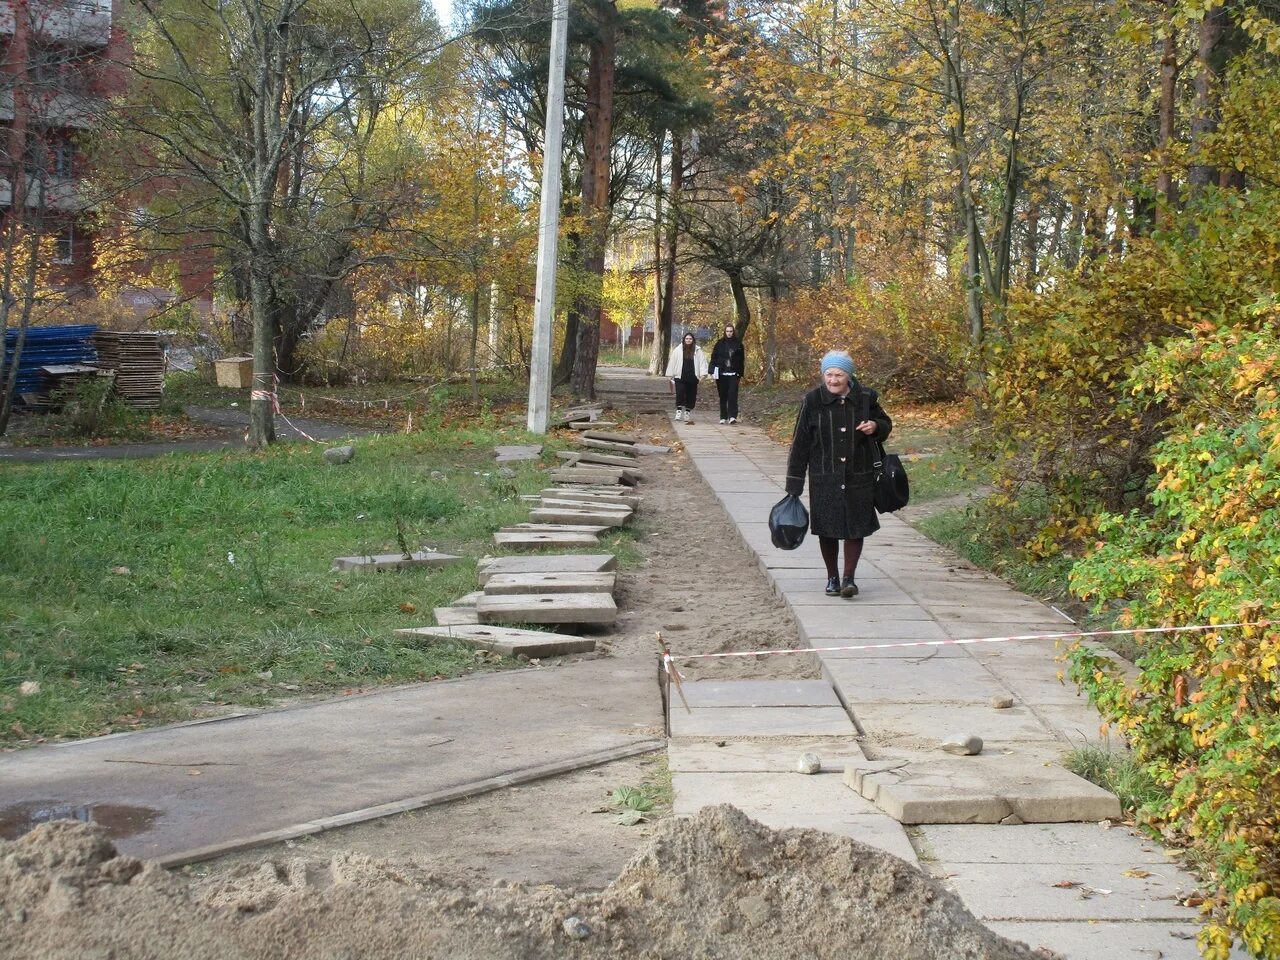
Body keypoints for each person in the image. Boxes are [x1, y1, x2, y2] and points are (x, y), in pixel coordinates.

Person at [784, 350, 892, 598]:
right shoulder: (812, 401)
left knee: (856, 527)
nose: (833, 380)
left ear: (848, 376)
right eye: (829, 374)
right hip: (825, 476)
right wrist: (794, 484)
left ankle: (849, 579)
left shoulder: (866, 398)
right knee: (828, 528)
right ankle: (832, 577)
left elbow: (886, 424)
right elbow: (800, 443)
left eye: (839, 375)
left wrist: (875, 426)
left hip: (859, 474)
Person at [664, 332, 709, 424]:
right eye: (687, 339)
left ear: (693, 340)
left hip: (693, 377)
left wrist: (703, 375)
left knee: (691, 395)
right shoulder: (678, 350)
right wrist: (670, 374)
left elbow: (702, 363)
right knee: (680, 393)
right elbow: (673, 361)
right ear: (684, 340)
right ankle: (679, 410)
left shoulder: (698, 350)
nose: (688, 340)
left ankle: (687, 412)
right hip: (680, 376)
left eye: (690, 339)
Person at [709, 323, 745, 424]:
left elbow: (741, 360)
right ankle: (723, 416)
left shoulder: (738, 344)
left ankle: (732, 416)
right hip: (721, 373)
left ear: (733, 332)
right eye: (727, 331)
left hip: (733, 373)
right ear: (725, 332)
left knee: (732, 395)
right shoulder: (719, 344)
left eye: (731, 331)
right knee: (723, 396)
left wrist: (740, 373)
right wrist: (712, 370)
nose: (729, 333)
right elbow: (714, 358)